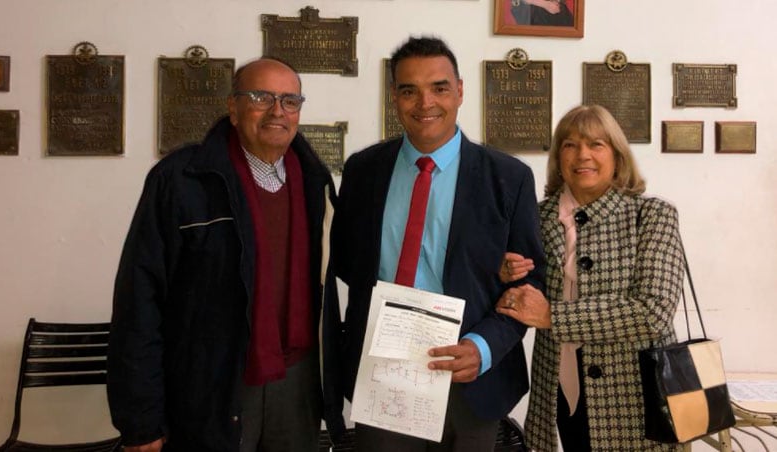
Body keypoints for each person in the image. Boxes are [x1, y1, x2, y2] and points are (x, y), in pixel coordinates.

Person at [107, 57, 343, 452]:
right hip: (213, 383)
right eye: (260, 97)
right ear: (233, 109)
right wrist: (141, 417)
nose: (277, 111)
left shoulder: (315, 182)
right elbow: (139, 300)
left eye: (289, 100)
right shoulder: (182, 181)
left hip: (298, 382)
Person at [327, 36, 546, 451]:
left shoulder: (508, 178)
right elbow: (345, 262)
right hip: (384, 372)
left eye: (439, 88)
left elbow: (533, 286)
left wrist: (483, 347)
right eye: (409, 90)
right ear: (394, 96)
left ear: (460, 91)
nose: (424, 103)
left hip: (470, 376)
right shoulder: (363, 170)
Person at [496, 105, 684, 451]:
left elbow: (653, 311)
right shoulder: (534, 218)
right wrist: (506, 274)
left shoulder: (652, 215)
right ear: (558, 156)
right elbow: (515, 295)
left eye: (596, 144)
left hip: (635, 396)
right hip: (559, 389)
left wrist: (553, 315)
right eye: (570, 145)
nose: (582, 155)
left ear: (617, 155)